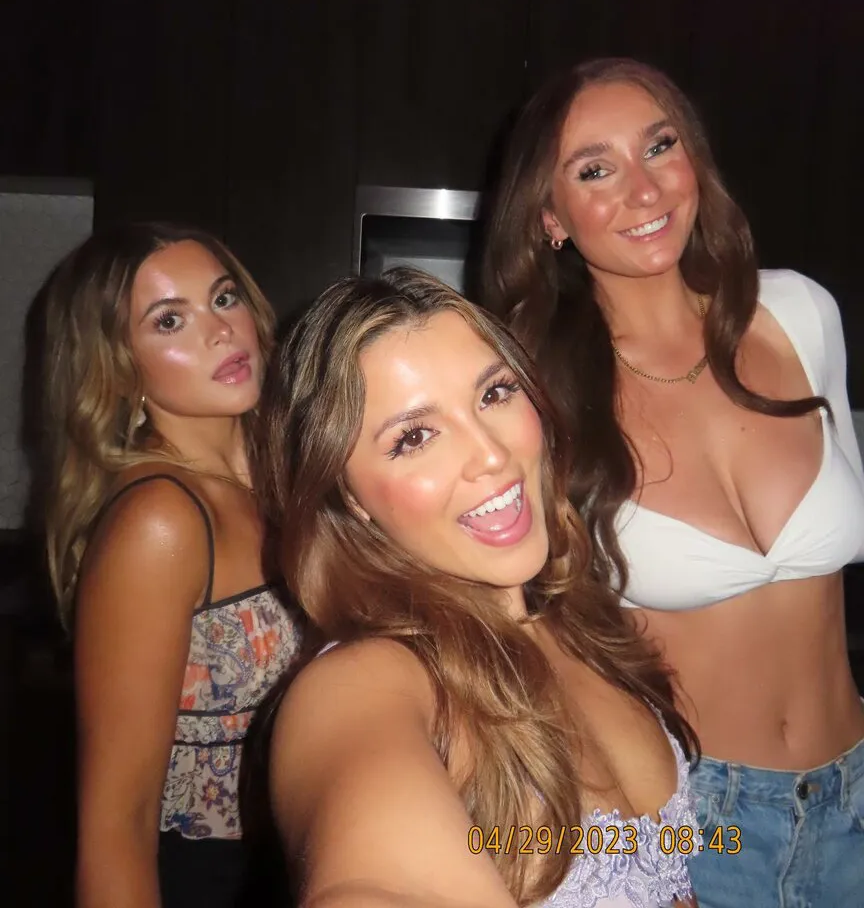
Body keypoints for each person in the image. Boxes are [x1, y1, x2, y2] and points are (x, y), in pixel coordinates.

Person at [479, 57, 864, 907]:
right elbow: (527, 638)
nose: (644, 189)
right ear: (549, 217)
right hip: (697, 822)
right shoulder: (532, 394)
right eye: (595, 170)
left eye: (660, 147)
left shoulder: (801, 313)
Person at [255, 265, 701, 908]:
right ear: (348, 497)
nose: (491, 454)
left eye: (494, 393)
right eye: (414, 437)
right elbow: (370, 883)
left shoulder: (577, 619)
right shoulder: (361, 684)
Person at [42, 222, 301, 908]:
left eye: (223, 298)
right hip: (215, 882)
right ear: (120, 366)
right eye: (169, 320)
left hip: (312, 855)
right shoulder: (160, 522)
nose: (220, 332)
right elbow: (116, 827)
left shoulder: (285, 476)